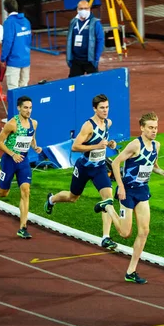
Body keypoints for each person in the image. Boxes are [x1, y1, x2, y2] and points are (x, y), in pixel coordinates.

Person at [94, 112, 164, 284]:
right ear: (142, 128)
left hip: (142, 191)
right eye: (151, 128)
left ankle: (131, 271)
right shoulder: (134, 145)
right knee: (125, 233)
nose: (154, 131)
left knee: (144, 231)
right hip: (127, 191)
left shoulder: (157, 146)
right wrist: (120, 187)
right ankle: (108, 207)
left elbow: (151, 165)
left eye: (156, 127)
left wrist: (161, 171)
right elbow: (115, 163)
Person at [44, 94, 118, 250]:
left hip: (99, 168)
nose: (105, 111)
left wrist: (110, 144)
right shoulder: (88, 126)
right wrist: (96, 146)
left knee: (108, 200)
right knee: (73, 197)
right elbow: (75, 147)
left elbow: (104, 142)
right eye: (102, 108)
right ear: (94, 109)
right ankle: (51, 200)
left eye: (107, 107)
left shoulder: (108, 123)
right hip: (84, 167)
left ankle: (106, 237)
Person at [0, 96, 41, 239]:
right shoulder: (12, 124)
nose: (28, 111)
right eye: (25, 108)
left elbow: (31, 138)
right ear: (19, 108)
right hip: (9, 160)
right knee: (3, 193)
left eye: (30, 108)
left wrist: (35, 147)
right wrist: (12, 154)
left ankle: (23, 227)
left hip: (23, 161)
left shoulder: (33, 123)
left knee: (25, 191)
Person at [66, 0, 104, 78]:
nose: (83, 10)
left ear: (89, 9)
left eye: (86, 8)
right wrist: (70, 57)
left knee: (94, 84)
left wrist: (96, 59)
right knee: (73, 84)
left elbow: (100, 41)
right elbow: (70, 40)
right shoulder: (73, 22)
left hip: (90, 60)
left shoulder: (95, 23)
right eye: (81, 8)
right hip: (76, 60)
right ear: (77, 10)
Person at [0, 0, 31, 90]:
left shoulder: (9, 23)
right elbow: (28, 39)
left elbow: (8, 42)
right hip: (26, 60)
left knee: (13, 88)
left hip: (14, 61)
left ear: (5, 9)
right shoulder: (26, 21)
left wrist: (3, 58)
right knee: (24, 86)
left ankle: (15, 104)